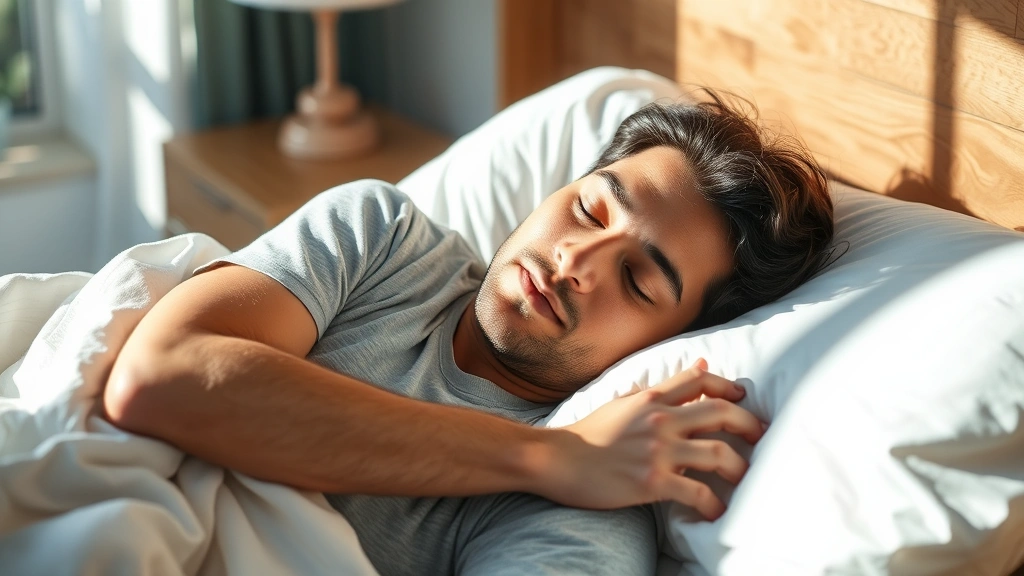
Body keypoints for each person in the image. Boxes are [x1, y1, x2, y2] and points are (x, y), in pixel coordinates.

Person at [102, 91, 834, 575]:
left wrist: (563, 468)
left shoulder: (582, 514)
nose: (575, 261)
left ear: (670, 342)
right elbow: (161, 375)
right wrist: (546, 457)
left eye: (639, 281)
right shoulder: (380, 238)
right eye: (589, 210)